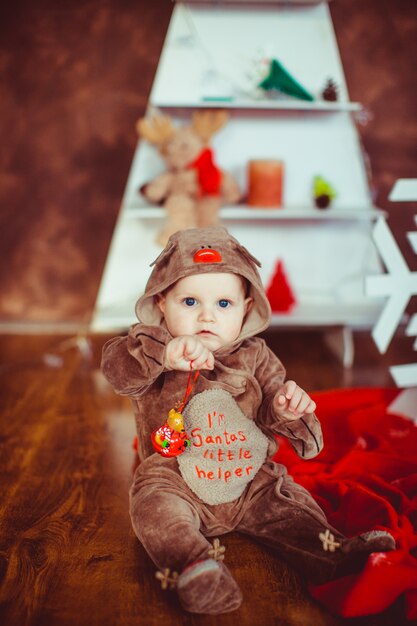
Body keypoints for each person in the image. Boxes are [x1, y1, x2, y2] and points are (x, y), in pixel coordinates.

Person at [101, 226, 395, 615]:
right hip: (176, 475)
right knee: (154, 508)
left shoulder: (256, 356)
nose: (207, 315)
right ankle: (195, 566)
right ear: (160, 304)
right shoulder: (149, 348)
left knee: (291, 505)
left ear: (246, 308)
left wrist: (289, 410)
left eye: (224, 304)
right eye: (189, 301)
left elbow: (274, 402)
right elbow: (117, 370)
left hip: (249, 477)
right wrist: (166, 356)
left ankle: (336, 556)